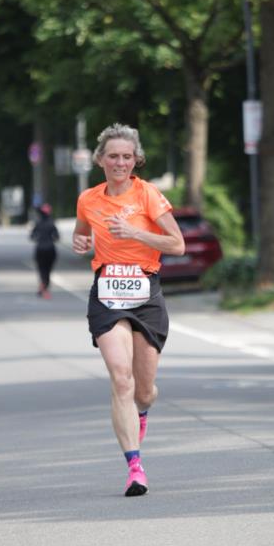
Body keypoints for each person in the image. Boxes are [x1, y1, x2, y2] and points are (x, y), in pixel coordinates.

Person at [73, 123, 185, 497]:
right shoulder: (88, 199)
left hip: (145, 291)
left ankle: (143, 412)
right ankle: (134, 467)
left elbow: (177, 245)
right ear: (100, 160)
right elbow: (82, 231)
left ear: (136, 159)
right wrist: (81, 240)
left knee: (145, 389)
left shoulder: (149, 195)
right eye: (113, 156)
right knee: (121, 379)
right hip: (107, 292)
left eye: (126, 156)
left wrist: (136, 233)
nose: (120, 162)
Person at [29, 203, 59, 299]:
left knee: (42, 269)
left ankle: (43, 288)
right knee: (48, 270)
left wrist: (39, 238)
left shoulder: (38, 223)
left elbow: (32, 236)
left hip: (40, 249)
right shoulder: (52, 223)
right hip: (51, 249)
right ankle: (44, 287)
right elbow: (57, 237)